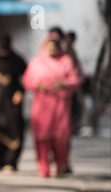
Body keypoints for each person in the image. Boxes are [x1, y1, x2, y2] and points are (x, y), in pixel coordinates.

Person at [22, 32, 80, 178]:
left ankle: (61, 166)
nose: (52, 49)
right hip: (42, 107)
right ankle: (44, 168)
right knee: (42, 139)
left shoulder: (66, 61)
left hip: (60, 107)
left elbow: (75, 80)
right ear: (44, 47)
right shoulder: (36, 62)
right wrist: (38, 85)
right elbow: (27, 81)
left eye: (55, 46)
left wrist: (63, 83)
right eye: (49, 46)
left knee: (60, 138)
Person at [0, 34, 27, 172]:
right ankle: (0, 160)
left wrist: (21, 91)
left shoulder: (18, 61)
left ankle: (11, 161)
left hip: (13, 105)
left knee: (14, 130)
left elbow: (26, 78)